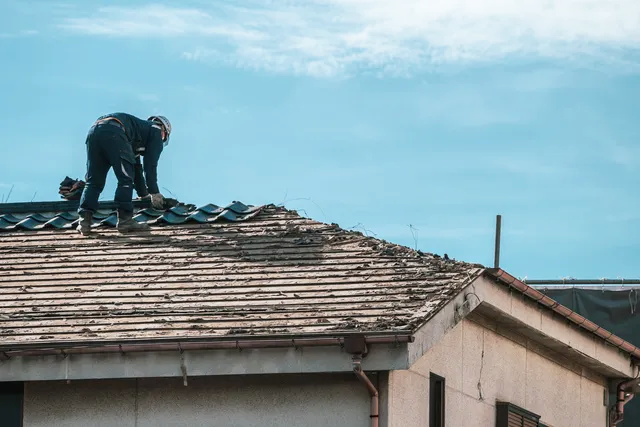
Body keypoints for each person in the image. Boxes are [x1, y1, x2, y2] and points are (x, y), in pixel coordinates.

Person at [76, 112, 172, 235]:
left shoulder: (136, 135)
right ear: (164, 130)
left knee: (93, 181)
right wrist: (154, 192)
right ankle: (125, 220)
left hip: (94, 132)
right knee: (125, 179)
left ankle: (84, 222)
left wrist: (143, 194)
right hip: (114, 132)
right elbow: (150, 165)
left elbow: (137, 168)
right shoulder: (156, 131)